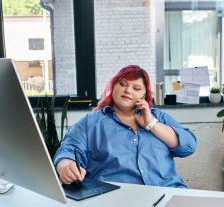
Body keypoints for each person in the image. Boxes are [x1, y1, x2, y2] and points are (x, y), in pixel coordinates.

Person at [54, 65, 197, 188]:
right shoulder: (91, 122)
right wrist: (66, 167)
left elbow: (188, 146)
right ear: (113, 86)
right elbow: (68, 150)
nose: (128, 90)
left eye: (136, 88)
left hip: (166, 192)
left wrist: (152, 124)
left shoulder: (160, 117)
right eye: (122, 84)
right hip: (113, 199)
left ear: (144, 94)